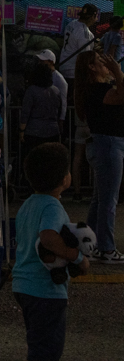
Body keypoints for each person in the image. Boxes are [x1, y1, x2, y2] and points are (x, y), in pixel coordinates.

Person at [12, 142, 90, 361]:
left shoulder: (28, 204)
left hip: (23, 284)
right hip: (45, 289)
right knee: (47, 350)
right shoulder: (52, 207)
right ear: (64, 179)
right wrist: (78, 258)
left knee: (38, 342)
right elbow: (48, 237)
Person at [74, 51, 124, 263]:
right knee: (108, 200)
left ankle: (91, 243)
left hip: (102, 144)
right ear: (92, 68)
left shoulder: (91, 90)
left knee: (100, 198)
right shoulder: (98, 89)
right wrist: (117, 72)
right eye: (100, 61)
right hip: (109, 144)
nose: (105, 64)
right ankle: (106, 248)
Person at [20, 62, 62, 163]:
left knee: (34, 161)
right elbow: (59, 110)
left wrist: (21, 130)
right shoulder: (56, 91)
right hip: (53, 131)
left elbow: (25, 113)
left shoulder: (31, 91)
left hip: (34, 132)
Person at [58, 3, 98, 81]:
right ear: (92, 17)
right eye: (96, 16)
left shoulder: (72, 23)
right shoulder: (85, 33)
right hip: (74, 72)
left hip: (63, 65)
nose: (96, 19)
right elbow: (86, 57)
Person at [34, 50, 67, 121]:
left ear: (51, 62)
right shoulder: (39, 76)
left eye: (42, 61)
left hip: (53, 117)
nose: (40, 63)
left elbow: (63, 101)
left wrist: (61, 119)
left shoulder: (59, 79)